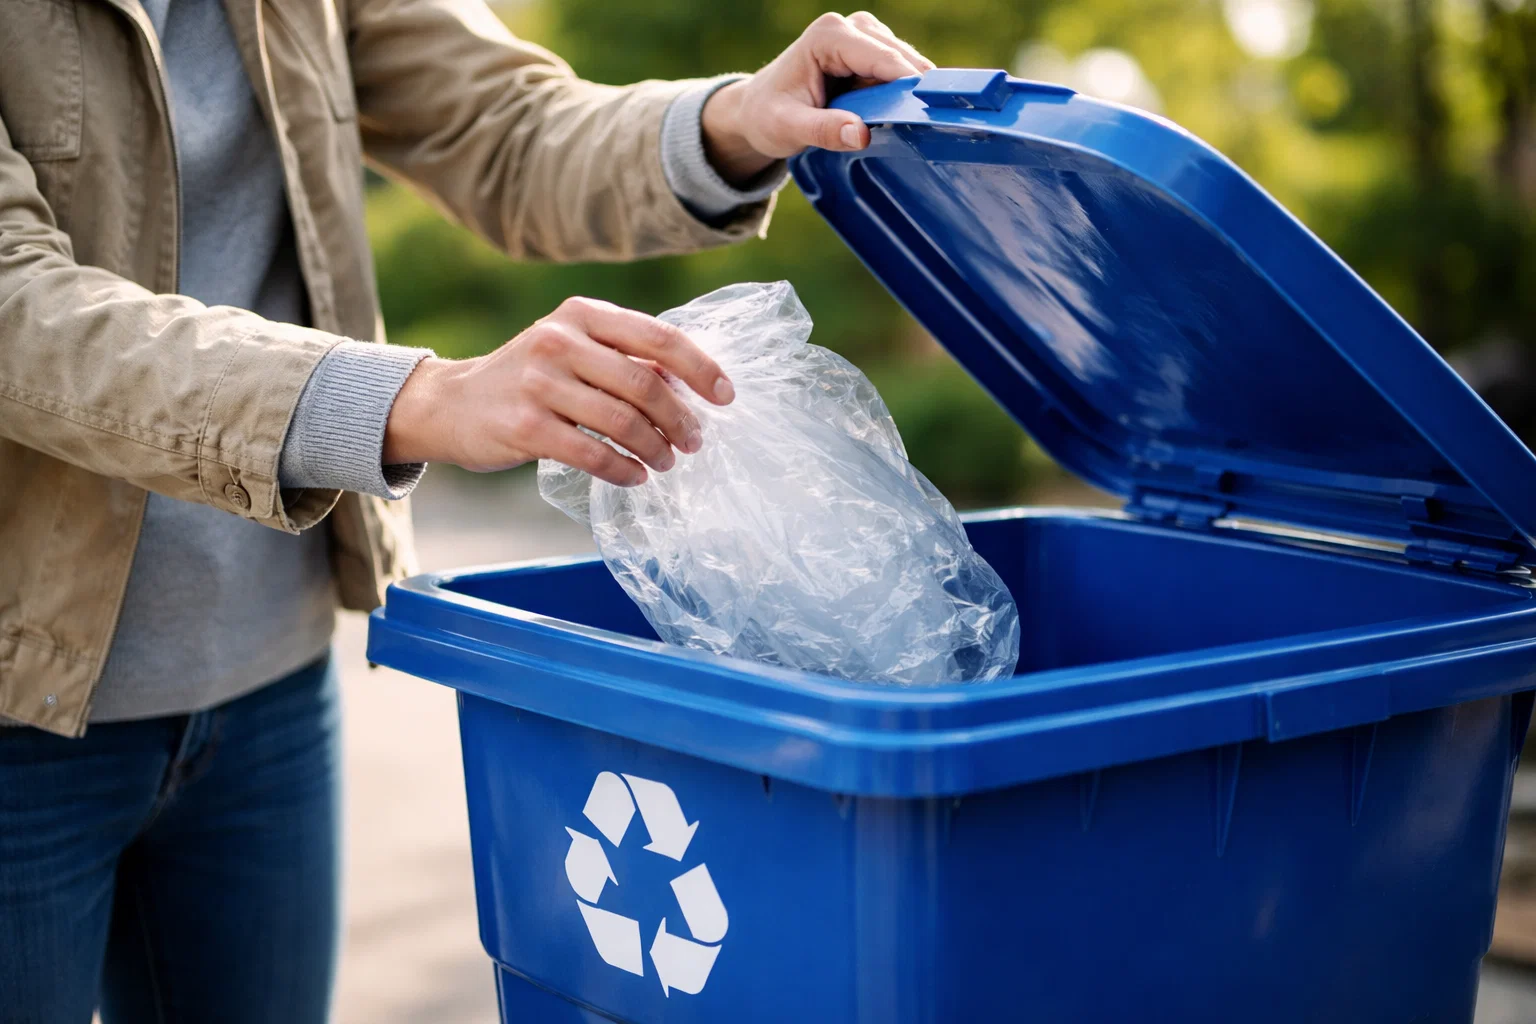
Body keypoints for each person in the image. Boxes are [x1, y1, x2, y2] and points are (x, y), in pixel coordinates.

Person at [0, 3, 933, 1020]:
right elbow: (18, 308)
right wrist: (420, 400)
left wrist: (735, 119)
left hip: (263, 673)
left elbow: (498, 122)